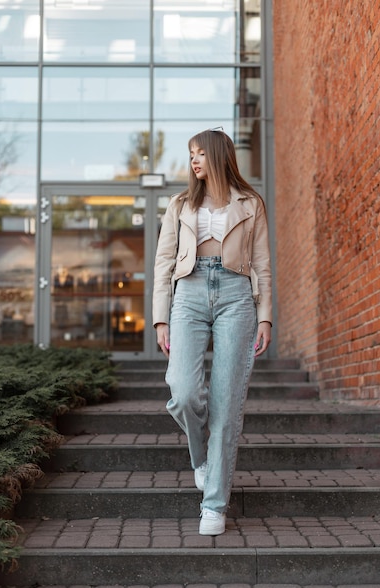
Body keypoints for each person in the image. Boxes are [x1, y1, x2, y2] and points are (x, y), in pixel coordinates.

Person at [153, 128, 272, 535]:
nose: (194, 160)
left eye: (200, 152)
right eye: (191, 154)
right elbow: (163, 264)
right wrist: (161, 318)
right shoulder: (180, 204)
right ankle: (200, 457)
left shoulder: (251, 203)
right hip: (188, 293)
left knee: (226, 404)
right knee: (183, 391)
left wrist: (266, 315)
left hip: (237, 295)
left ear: (219, 155)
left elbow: (263, 264)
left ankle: (215, 504)